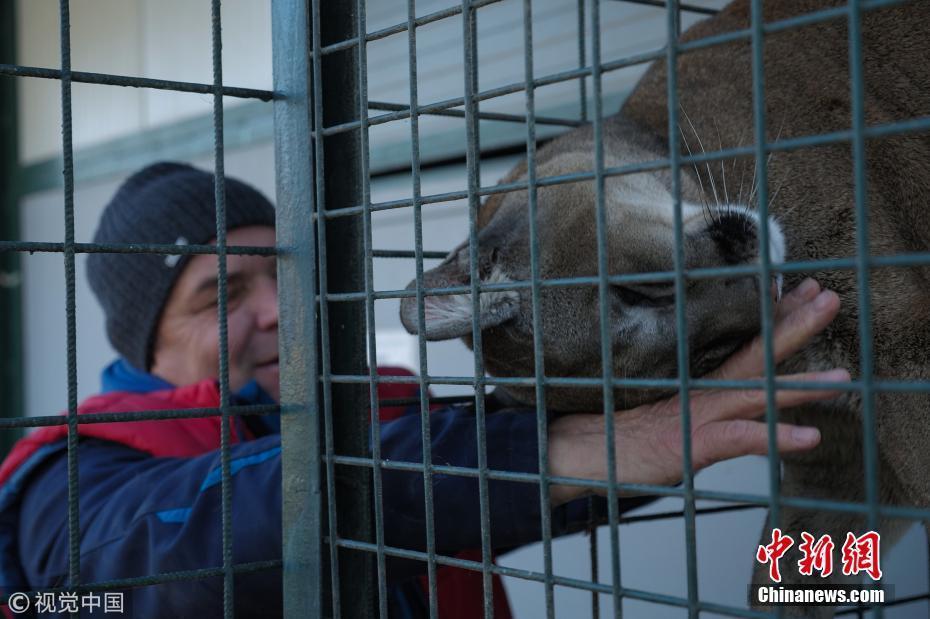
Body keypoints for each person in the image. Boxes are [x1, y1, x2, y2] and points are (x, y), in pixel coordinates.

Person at [0, 162, 847, 617]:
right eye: (220, 296)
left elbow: (496, 464)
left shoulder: (387, 408)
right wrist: (563, 448)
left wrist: (691, 380)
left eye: (284, 281)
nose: (276, 314)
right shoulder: (66, 472)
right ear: (147, 341)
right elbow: (146, 561)